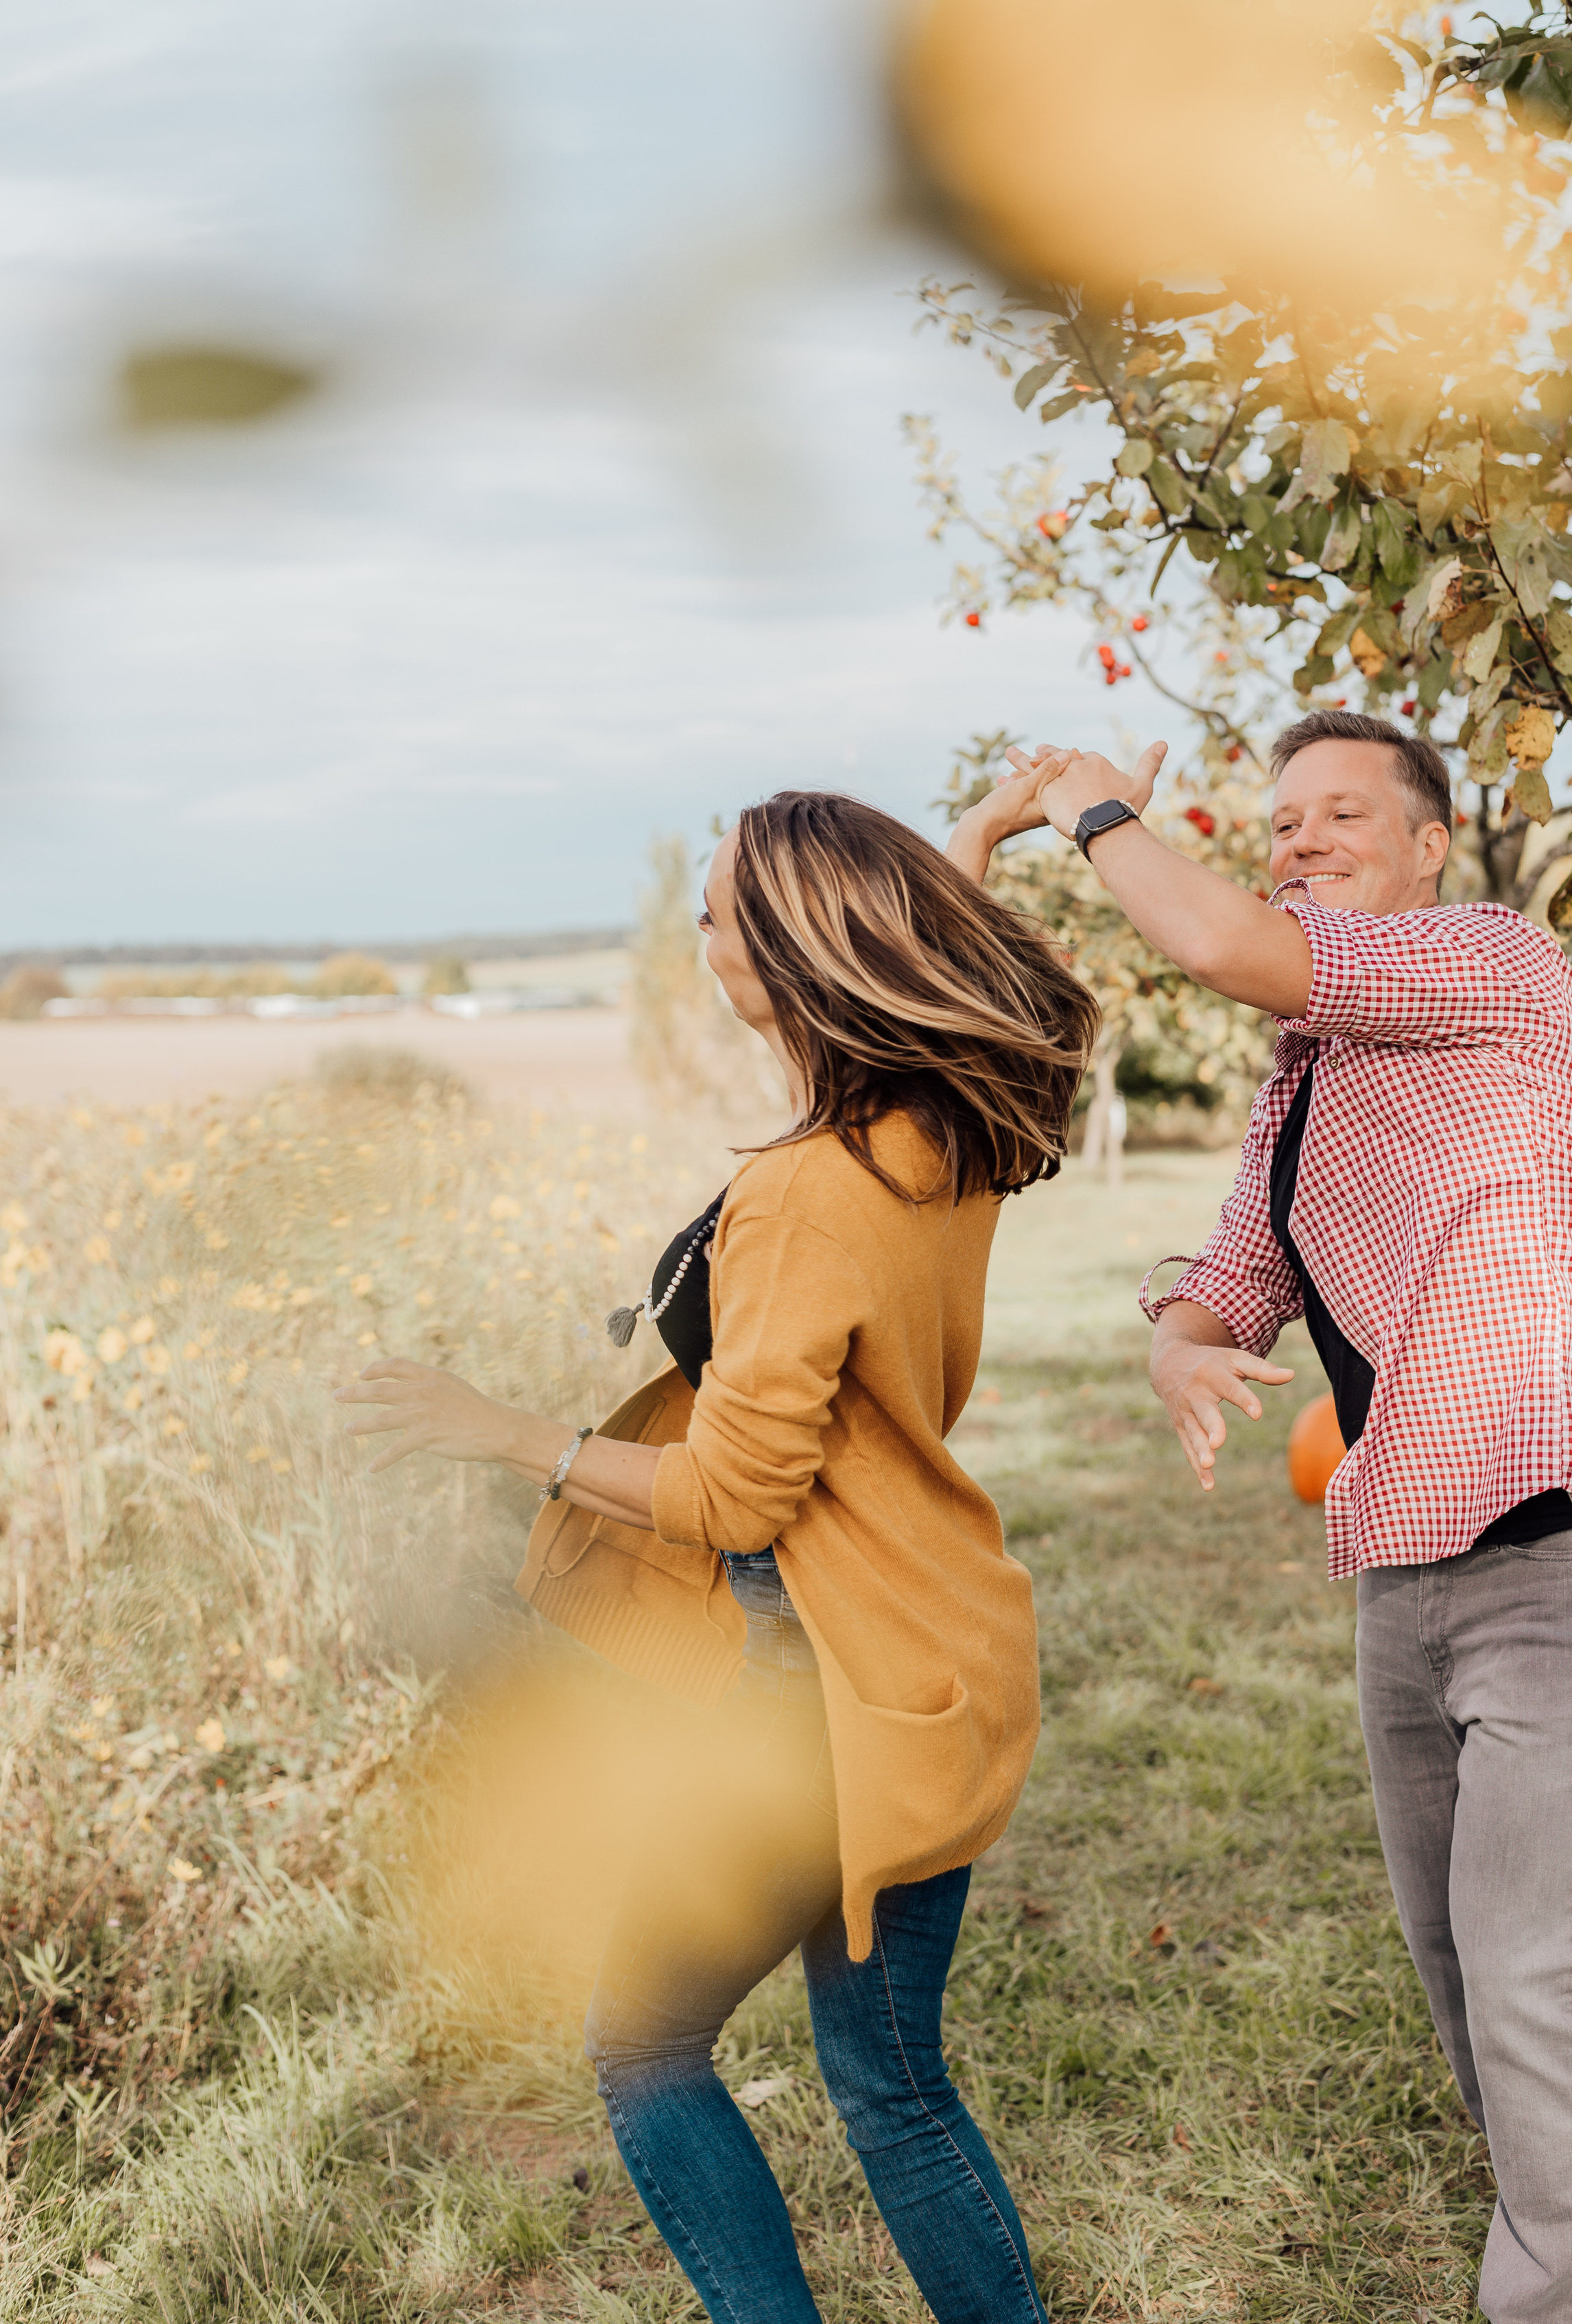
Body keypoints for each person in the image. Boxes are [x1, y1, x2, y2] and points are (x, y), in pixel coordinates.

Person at [335, 779, 1096, 2324]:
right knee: (890, 2084)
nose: (695, 932)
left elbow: (734, 1499)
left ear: (789, 945)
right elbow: (992, 992)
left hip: (817, 1688)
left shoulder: (809, 1191)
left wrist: (507, 1433)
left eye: (716, 909)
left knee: (647, 2048)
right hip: (930, 1655)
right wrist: (977, 849)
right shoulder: (939, 1121)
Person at [964, 711, 1572, 2324]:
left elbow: (1222, 939)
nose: (1296, 839)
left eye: (1339, 813)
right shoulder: (1300, 1079)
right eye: (1281, 820)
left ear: (1429, 845)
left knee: (1520, 1967)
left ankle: (1567, 2299)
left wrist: (1087, 814)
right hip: (1401, 1567)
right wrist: (1174, 1340)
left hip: (1557, 1537)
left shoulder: (1492, 962)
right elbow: (1233, 1281)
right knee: (1458, 1972)